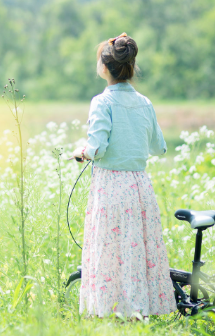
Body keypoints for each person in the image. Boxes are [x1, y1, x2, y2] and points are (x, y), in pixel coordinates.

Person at [72, 32, 176, 319]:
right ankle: (139, 309)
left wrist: (82, 151)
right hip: (139, 186)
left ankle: (110, 311)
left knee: (109, 249)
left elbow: (97, 148)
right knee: (136, 250)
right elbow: (159, 147)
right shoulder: (145, 102)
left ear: (105, 67)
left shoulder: (102, 102)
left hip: (110, 186)